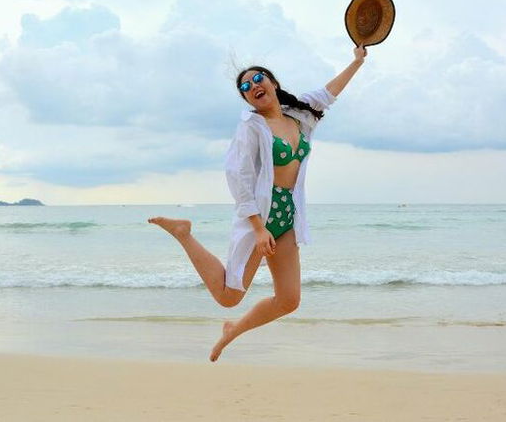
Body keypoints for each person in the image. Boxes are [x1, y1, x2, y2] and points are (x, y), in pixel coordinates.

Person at [148, 44, 368, 361]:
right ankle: (184, 232)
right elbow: (237, 177)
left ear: (273, 83)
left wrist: (356, 62)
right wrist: (258, 227)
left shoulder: (301, 114)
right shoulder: (252, 127)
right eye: (246, 88)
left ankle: (232, 331)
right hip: (261, 218)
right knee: (228, 296)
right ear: (248, 99)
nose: (253, 86)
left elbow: (328, 93)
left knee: (289, 300)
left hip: (288, 217)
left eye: (258, 79)